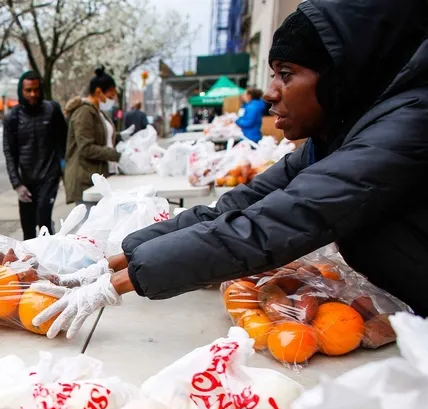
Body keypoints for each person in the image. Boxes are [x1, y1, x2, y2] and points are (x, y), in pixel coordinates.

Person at [31, 0, 428, 339]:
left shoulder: (408, 127)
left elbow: (274, 224)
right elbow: (235, 207)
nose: (270, 92)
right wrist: (114, 261)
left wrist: (117, 285)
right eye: (272, 74)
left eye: (286, 74)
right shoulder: (332, 141)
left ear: (340, 77)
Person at [2, 71, 68, 240]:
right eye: (28, 90)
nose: (32, 94)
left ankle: (50, 250)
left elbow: (63, 140)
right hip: (25, 180)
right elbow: (9, 153)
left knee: (43, 219)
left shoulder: (52, 110)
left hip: (49, 177)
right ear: (21, 91)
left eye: (36, 90)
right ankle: (31, 256)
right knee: (28, 230)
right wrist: (17, 184)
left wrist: (62, 168)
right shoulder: (13, 117)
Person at [62, 67, 124, 208]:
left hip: (96, 176)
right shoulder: (84, 112)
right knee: (91, 221)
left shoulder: (99, 112)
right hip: (85, 179)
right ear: (98, 92)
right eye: (110, 96)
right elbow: (86, 147)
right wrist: (116, 155)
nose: (112, 100)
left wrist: (121, 138)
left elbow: (103, 137)